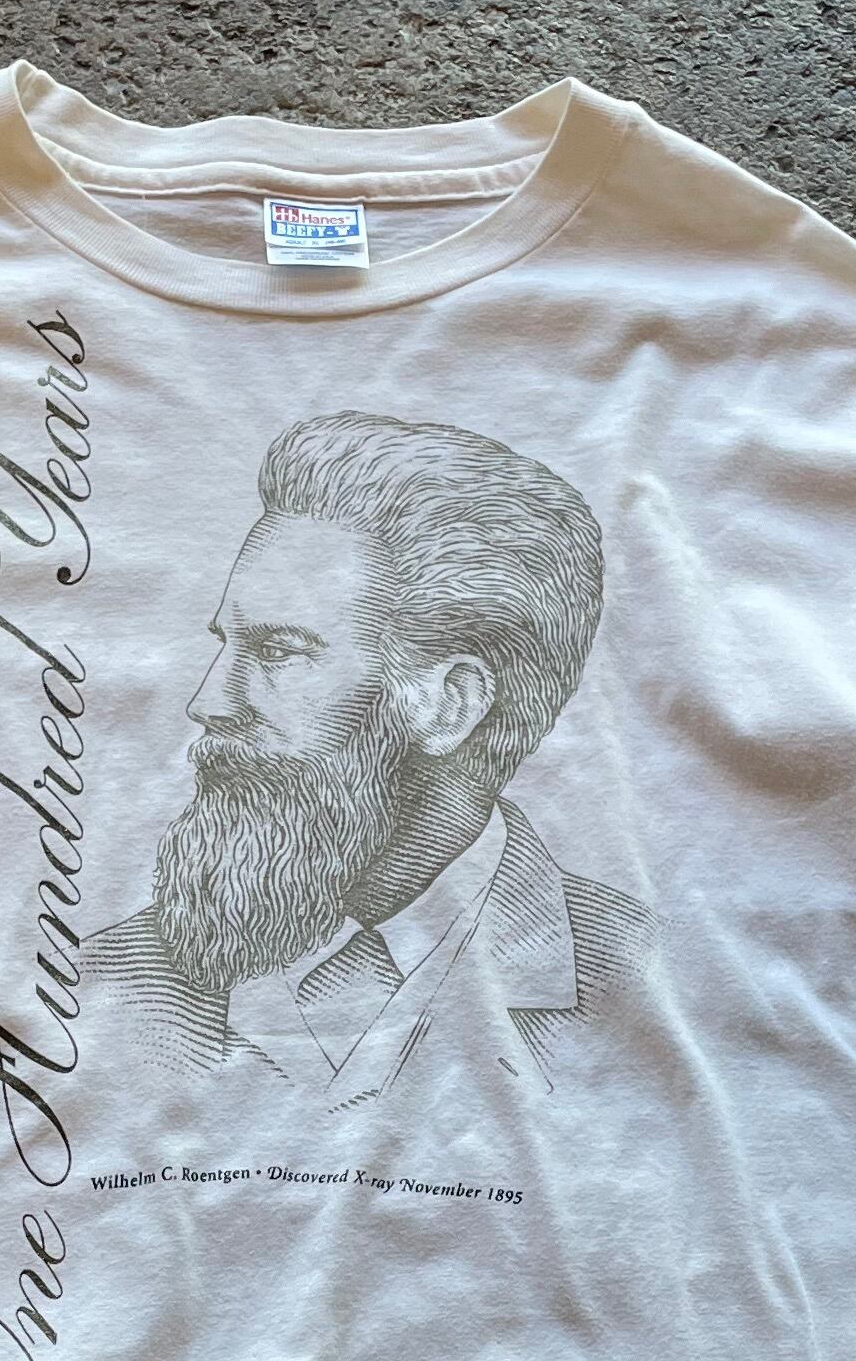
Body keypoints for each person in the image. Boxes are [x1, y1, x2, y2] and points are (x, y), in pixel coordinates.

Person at [87, 410, 656, 1110]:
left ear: (449, 705)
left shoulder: (640, 981)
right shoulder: (102, 988)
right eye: (224, 645)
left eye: (277, 652)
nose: (208, 702)